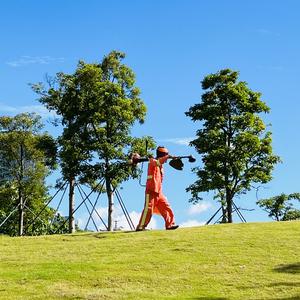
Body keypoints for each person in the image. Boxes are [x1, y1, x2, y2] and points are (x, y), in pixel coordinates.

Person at [132, 146, 179, 231]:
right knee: (148, 209)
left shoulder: (161, 166)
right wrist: (168, 157)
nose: (166, 160)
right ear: (162, 155)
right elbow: (157, 162)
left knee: (166, 207)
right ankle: (140, 227)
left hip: (159, 192)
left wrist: (170, 158)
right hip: (151, 190)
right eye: (165, 156)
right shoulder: (152, 161)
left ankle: (170, 225)